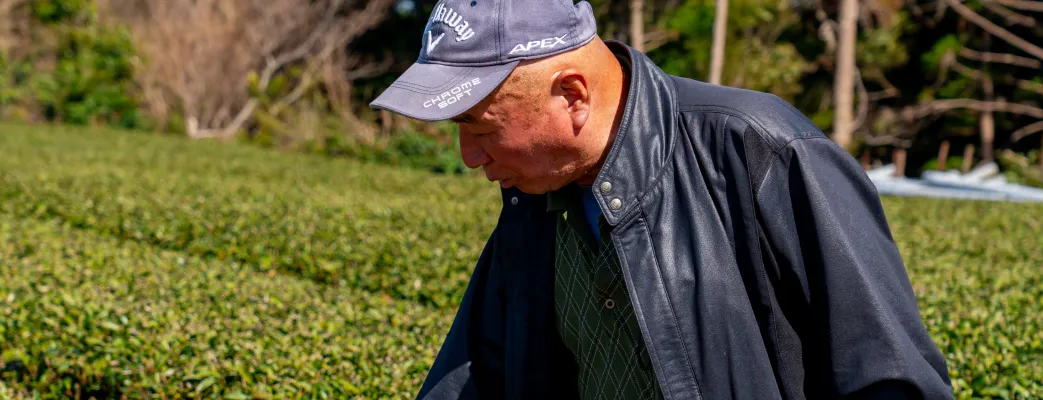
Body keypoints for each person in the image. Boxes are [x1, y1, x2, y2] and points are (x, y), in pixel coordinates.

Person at [368, 1, 955, 399]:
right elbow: (479, 376)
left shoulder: (761, 151)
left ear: (572, 95)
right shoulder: (530, 200)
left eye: (479, 126)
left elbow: (890, 376)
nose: (469, 156)